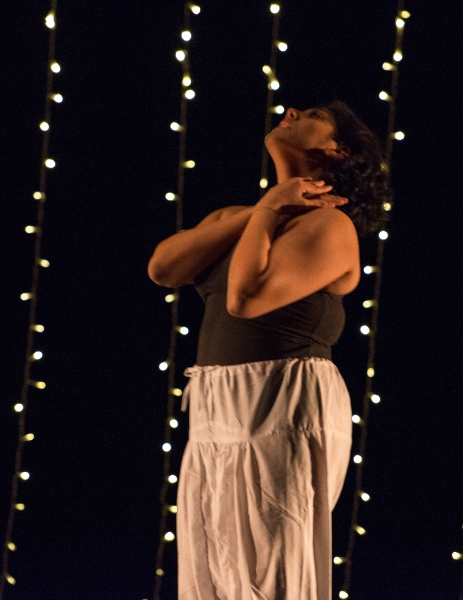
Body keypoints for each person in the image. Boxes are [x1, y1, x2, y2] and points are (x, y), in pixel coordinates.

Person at [148, 100, 391, 600]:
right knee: (214, 560)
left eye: (315, 113)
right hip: (216, 401)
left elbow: (246, 298)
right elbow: (163, 268)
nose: (292, 109)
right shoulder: (242, 216)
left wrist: (269, 211)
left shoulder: (331, 227)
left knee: (270, 565)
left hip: (283, 398)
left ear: (335, 148)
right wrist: (265, 208)